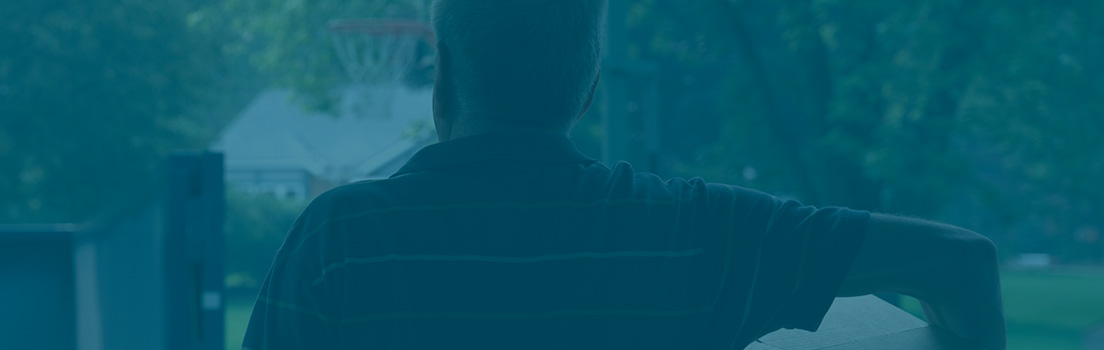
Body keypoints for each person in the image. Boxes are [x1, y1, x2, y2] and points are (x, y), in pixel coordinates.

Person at [240, 1, 1007, 349]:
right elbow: (962, 262)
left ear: (442, 82)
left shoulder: (337, 241)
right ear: (588, 89)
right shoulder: (696, 234)